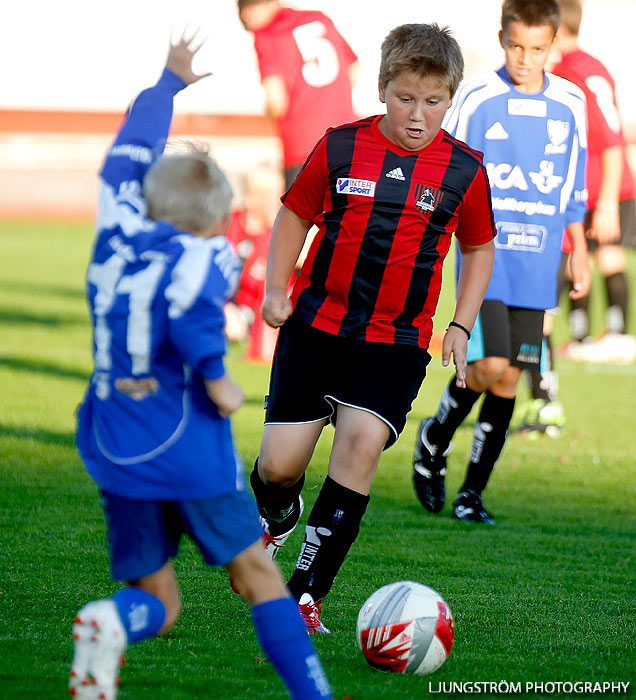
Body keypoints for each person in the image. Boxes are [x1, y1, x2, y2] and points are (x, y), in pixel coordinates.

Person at [70, 33, 333, 700]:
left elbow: (131, 149)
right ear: (214, 222)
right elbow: (189, 316)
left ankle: (109, 619)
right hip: (183, 442)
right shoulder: (204, 257)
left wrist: (167, 84)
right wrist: (217, 377)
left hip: (111, 440)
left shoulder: (115, 226)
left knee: (160, 599)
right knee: (258, 576)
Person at [250, 23, 496, 634]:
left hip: (396, 340)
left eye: (434, 101)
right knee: (279, 466)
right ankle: (279, 515)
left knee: (359, 446)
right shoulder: (339, 147)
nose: (418, 115)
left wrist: (462, 324)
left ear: (451, 99)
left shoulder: (463, 169)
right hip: (315, 326)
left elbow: (481, 247)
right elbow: (293, 215)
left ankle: (305, 598)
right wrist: (276, 289)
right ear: (383, 89)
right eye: (406, 98)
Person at [412, 0, 591, 523]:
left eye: (537, 48)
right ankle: (434, 438)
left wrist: (577, 248)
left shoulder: (571, 101)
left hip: (540, 261)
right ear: (501, 39)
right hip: (486, 254)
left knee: (511, 378)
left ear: (552, 44)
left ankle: (471, 494)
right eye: (516, 45)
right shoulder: (479, 96)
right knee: (487, 367)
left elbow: (572, 184)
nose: (525, 58)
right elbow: (452, 166)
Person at [544, 0, 636, 364]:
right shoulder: (590, 65)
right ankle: (583, 337)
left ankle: (618, 335)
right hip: (591, 187)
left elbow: (609, 136)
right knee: (577, 260)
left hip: (604, 187)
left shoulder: (572, 71)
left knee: (607, 256)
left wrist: (609, 199)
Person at [237, 0, 360, 189]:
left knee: (300, 217)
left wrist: (271, 116)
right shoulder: (320, 18)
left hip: (302, 146)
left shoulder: (267, 34)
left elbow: (276, 100)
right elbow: (354, 69)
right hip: (347, 140)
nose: (245, 14)